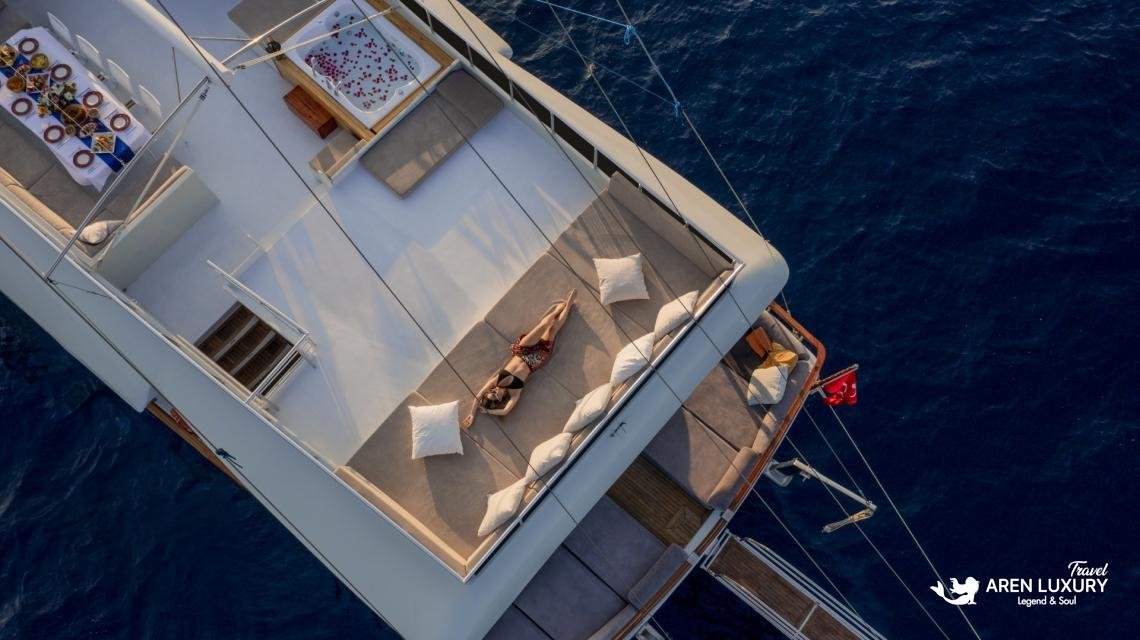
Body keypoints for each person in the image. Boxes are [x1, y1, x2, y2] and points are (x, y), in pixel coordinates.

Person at [461, 290, 577, 428]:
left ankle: (556, 311)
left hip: (522, 350)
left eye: (491, 391)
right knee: (553, 329)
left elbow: (479, 394)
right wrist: (489, 412)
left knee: (543, 326)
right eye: (495, 395)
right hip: (534, 360)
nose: (494, 390)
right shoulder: (514, 393)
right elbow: (505, 411)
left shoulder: (497, 381)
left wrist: (472, 413)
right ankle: (568, 305)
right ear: (500, 399)